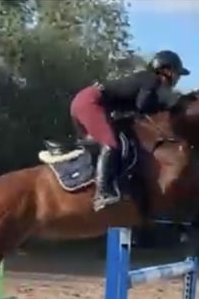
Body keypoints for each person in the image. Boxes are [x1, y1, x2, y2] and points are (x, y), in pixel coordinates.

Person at [69, 50, 190, 211]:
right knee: (110, 143)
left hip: (87, 102)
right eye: (177, 74)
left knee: (118, 139)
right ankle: (102, 193)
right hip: (90, 101)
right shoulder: (152, 80)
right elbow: (142, 106)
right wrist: (166, 106)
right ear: (166, 71)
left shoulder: (146, 79)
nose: (177, 79)